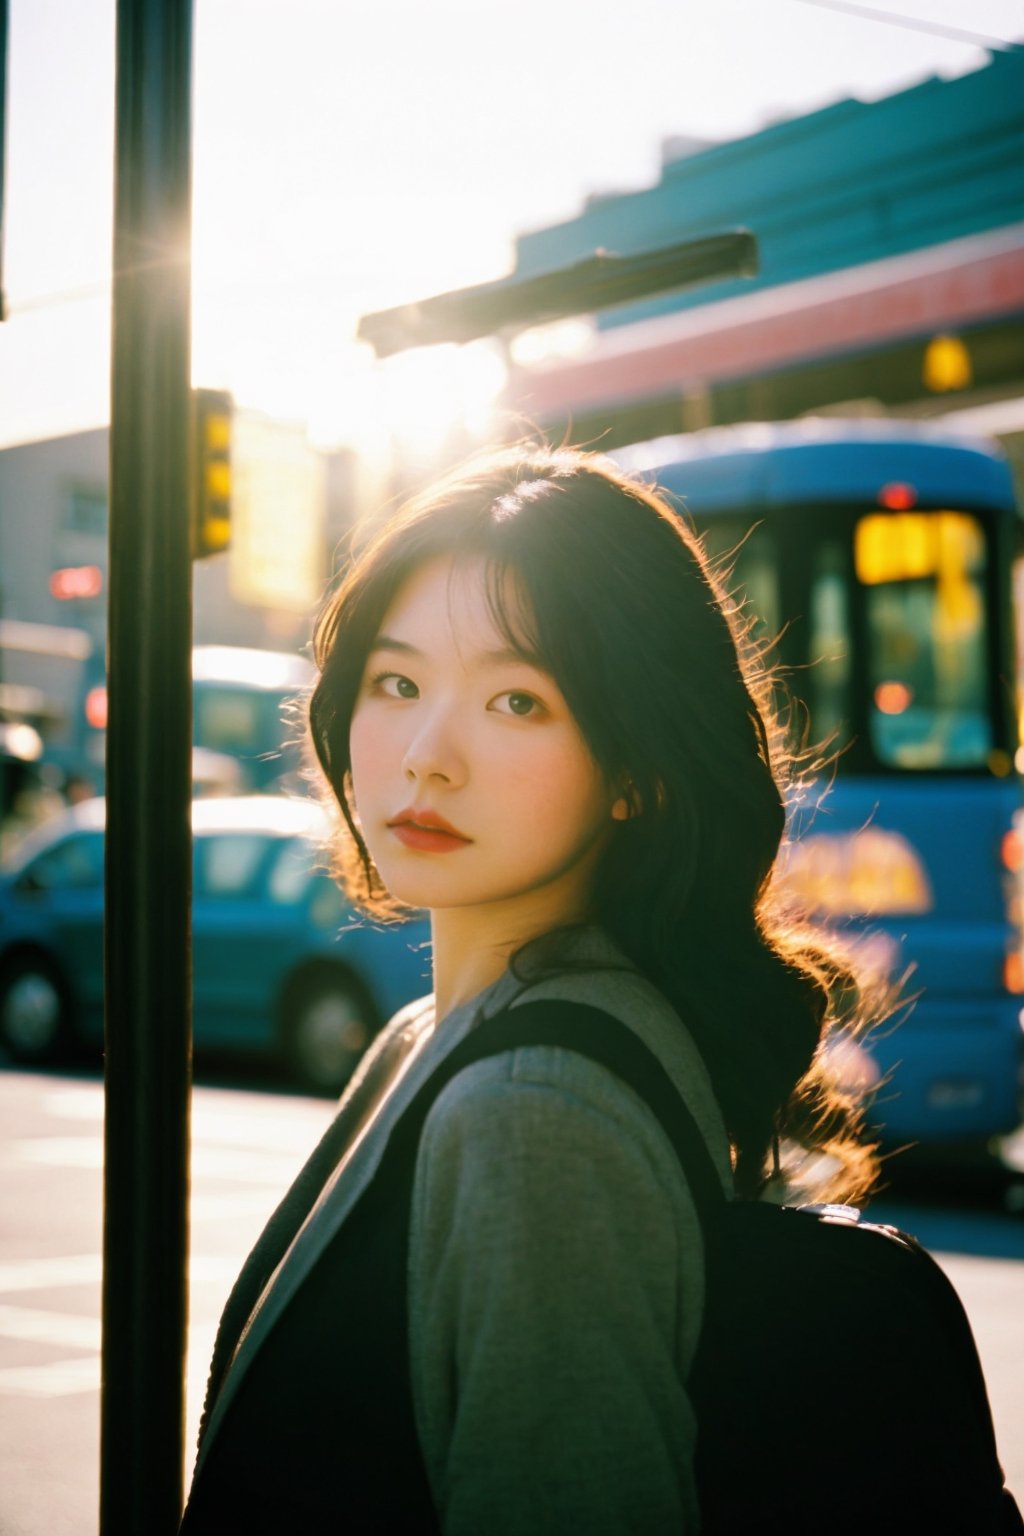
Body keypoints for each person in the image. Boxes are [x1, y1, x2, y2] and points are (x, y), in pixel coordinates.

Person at [180, 444, 879, 1534]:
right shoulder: (438, 1033)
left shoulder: (534, 1109)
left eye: (516, 700)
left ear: (638, 769)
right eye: (397, 682)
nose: (425, 755)